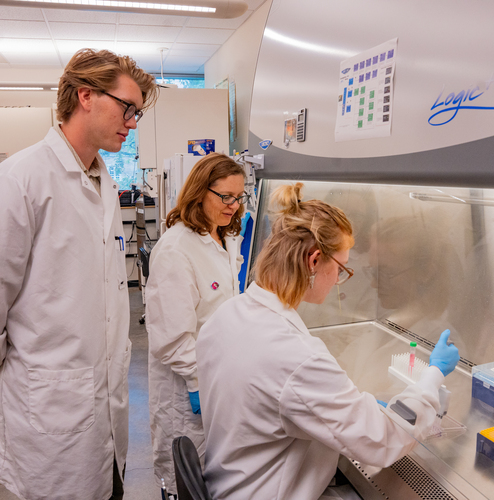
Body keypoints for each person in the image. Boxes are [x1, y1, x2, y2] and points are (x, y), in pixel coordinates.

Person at [196, 182, 460, 500]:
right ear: (314, 261)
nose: (339, 279)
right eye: (341, 268)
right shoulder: (294, 356)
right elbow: (383, 441)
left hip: (232, 482)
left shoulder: (228, 314)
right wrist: (432, 377)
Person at [0, 49, 158, 500]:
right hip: (46, 411)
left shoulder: (103, 181)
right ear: (85, 95)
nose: (132, 121)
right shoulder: (21, 180)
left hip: (104, 407)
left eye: (138, 113)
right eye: (127, 107)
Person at [146, 153, 248, 499]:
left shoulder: (222, 239)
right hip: (188, 393)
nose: (234, 205)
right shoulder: (176, 250)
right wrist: (198, 382)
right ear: (200, 192)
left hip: (219, 380)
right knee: (188, 483)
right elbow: (172, 340)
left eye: (239, 197)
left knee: (215, 481)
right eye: (226, 197)